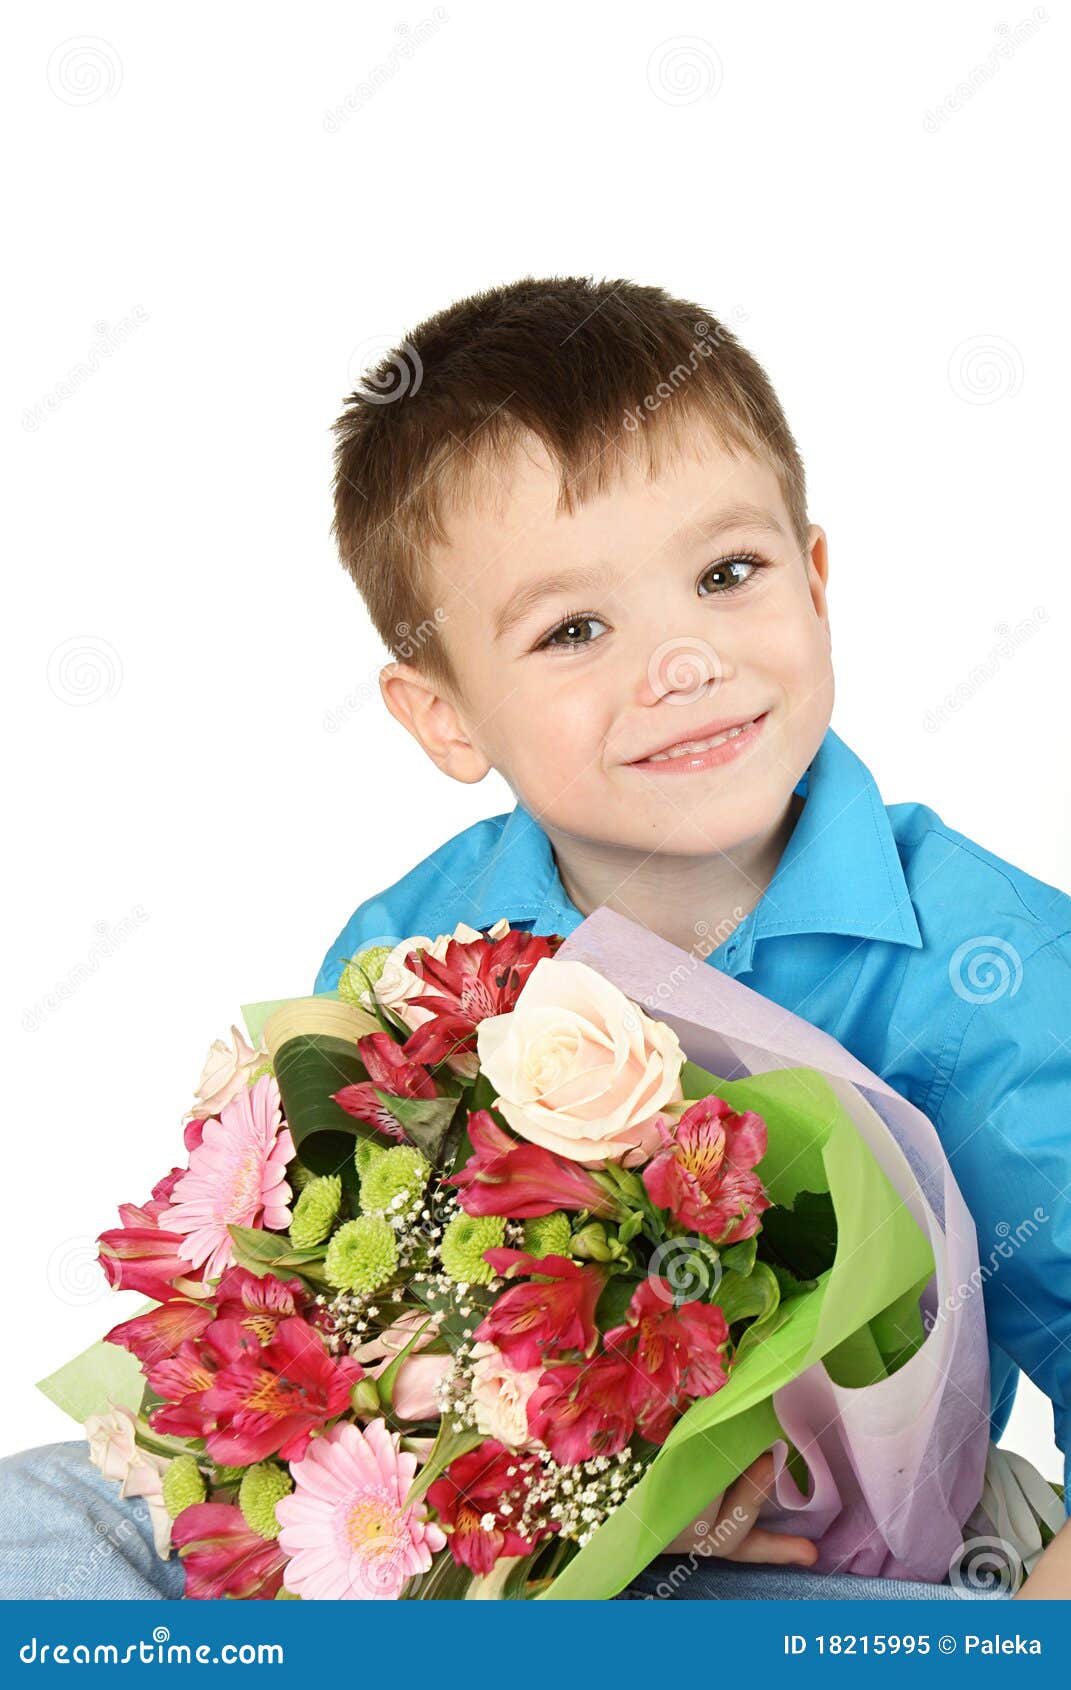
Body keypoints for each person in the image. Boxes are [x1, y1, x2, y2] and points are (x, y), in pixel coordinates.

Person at [3, 276, 1067, 1600]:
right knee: (51, 1519)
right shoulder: (411, 961)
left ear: (817, 580)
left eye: (728, 574)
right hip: (518, 1565)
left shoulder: (984, 958)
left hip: (873, 1574)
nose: (682, 659)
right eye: (574, 628)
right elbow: (331, 1354)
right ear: (444, 716)